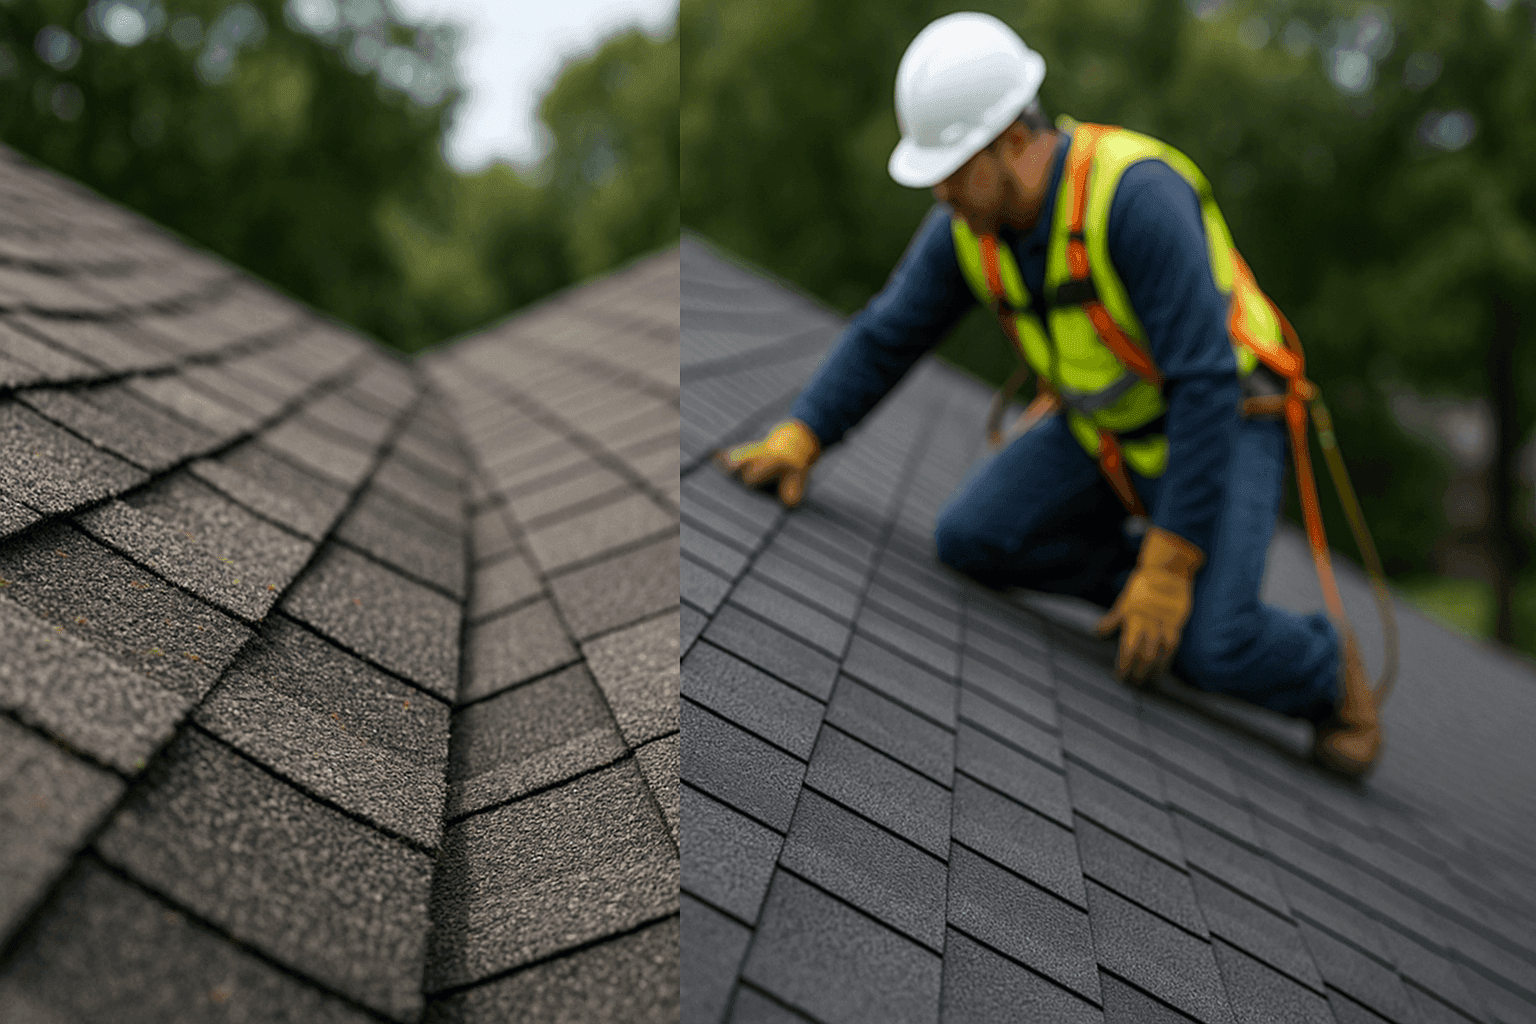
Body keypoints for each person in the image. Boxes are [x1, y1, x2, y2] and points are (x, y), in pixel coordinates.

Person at [718, 11, 1383, 778]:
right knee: (975, 536)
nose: (941, 191)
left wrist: (1170, 567)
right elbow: (887, 332)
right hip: (1113, 436)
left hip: (1228, 425)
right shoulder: (968, 226)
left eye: (953, 166)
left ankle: (1323, 671)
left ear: (1011, 142)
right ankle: (1150, 587)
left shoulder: (1135, 199)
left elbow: (1204, 383)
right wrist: (805, 432)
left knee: (1209, 647)